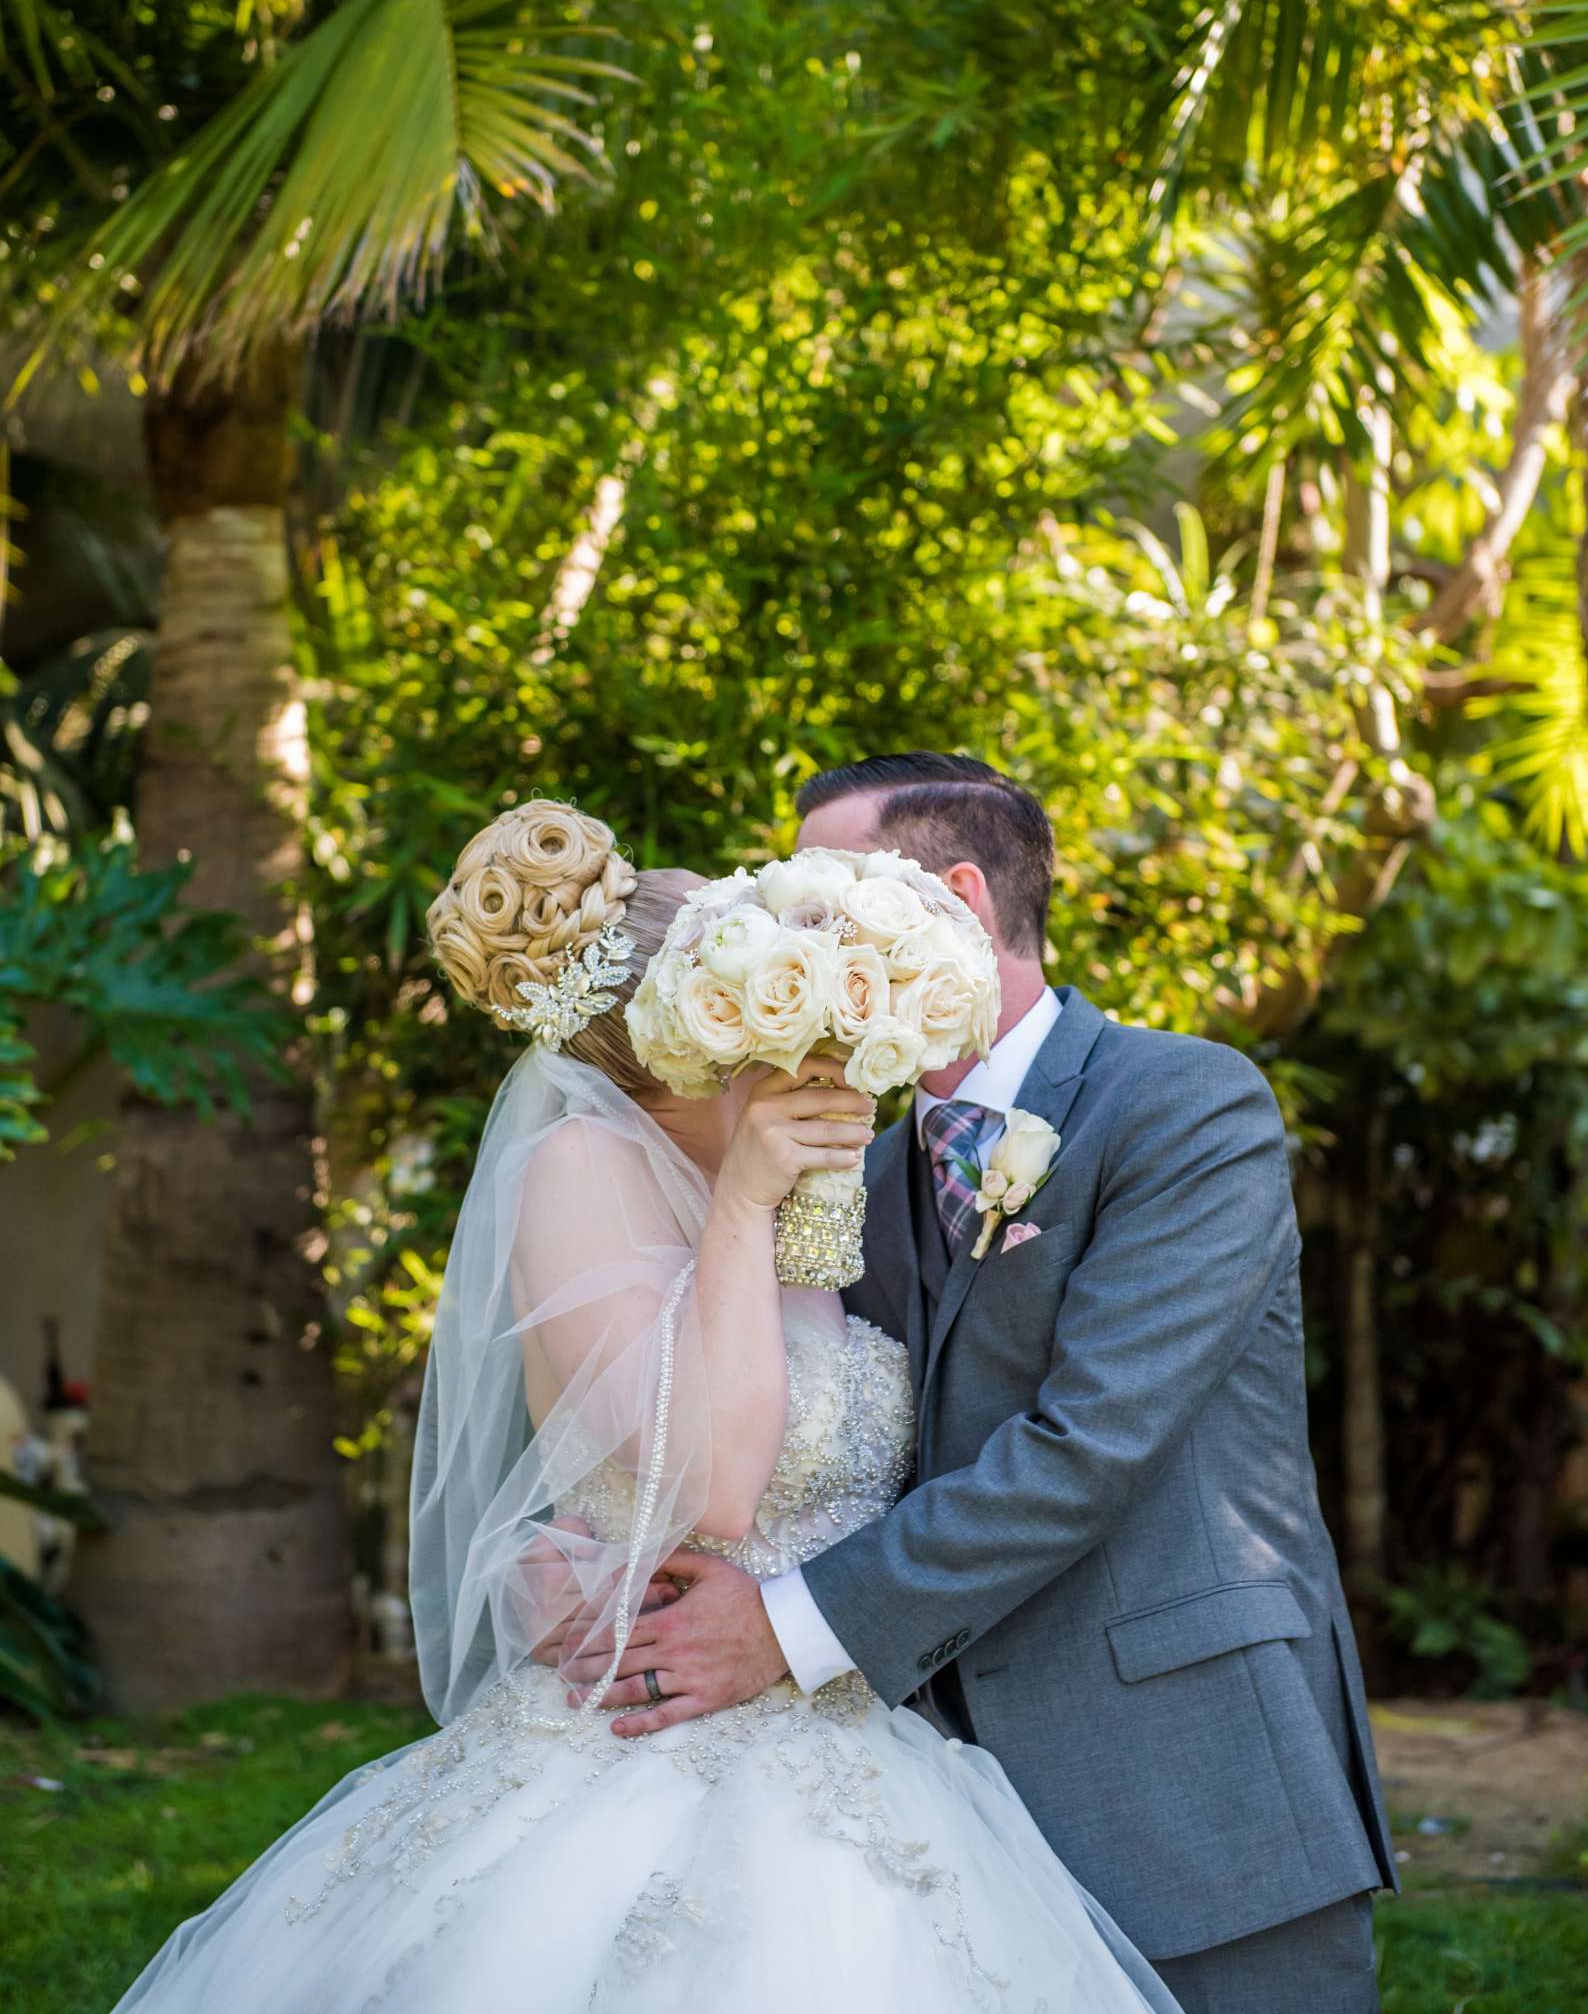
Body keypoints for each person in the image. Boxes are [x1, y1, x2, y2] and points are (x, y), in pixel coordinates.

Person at [110, 795, 1179, 2014]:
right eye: (766, 1007)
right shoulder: (583, 1171)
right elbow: (716, 1485)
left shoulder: (822, 1188)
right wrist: (739, 1216)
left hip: (839, 1720)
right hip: (652, 1735)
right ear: (679, 1044)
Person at [578, 755, 1399, 2014]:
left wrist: (784, 1628)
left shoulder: (1185, 1106)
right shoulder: (857, 1166)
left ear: (955, 903)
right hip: (937, 1823)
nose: (781, 948)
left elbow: (1088, 1448)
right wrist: (579, 1548)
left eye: (820, 904)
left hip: (1187, 1783)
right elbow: (774, 1418)